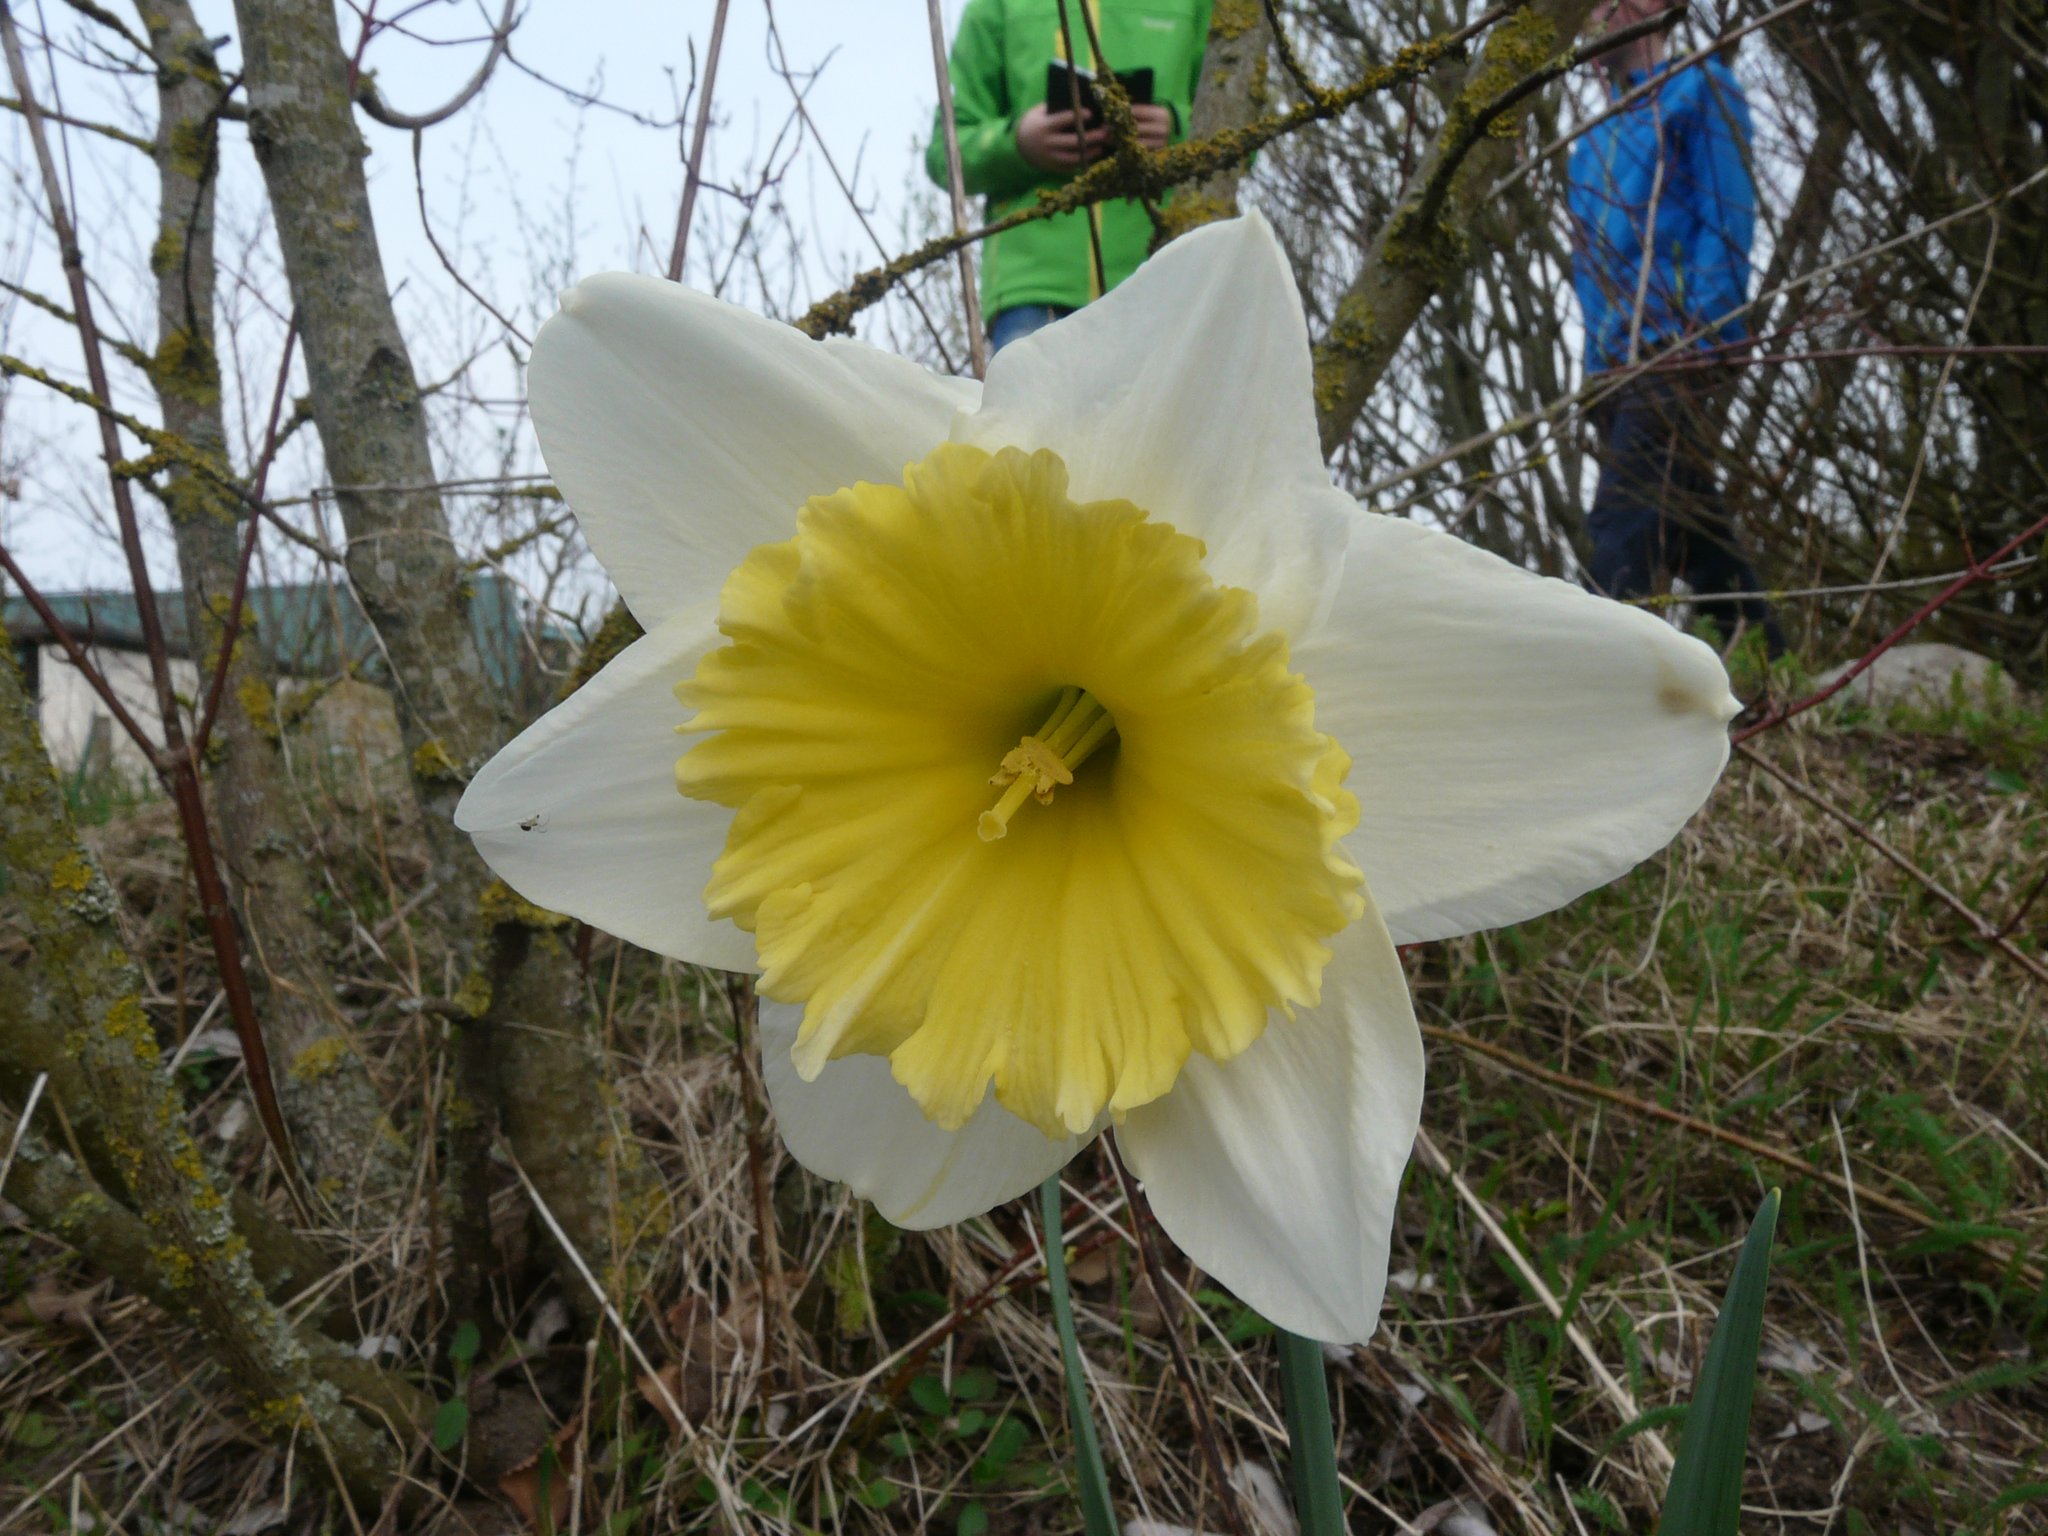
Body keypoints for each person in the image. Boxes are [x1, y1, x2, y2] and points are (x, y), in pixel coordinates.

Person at [1567, 0, 1786, 656]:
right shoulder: (1590, 143)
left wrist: (1709, 330)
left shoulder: (1701, 88)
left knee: (1622, 520)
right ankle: (1772, 660)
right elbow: (1588, 269)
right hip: (1616, 364)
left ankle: (1596, 677)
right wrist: (1594, 370)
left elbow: (1729, 214)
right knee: (1693, 525)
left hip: (1679, 345)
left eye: (1607, 3)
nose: (1593, 18)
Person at [928, 0, 1213, 353]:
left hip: (1168, 279)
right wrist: (1017, 144)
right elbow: (945, 152)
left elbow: (1243, 137)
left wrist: (1177, 130)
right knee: (1029, 411)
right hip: (1034, 292)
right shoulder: (996, 4)